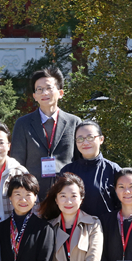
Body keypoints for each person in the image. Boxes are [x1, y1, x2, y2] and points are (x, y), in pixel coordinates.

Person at [11, 67, 83, 197]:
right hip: (33, 195)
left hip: (66, 195)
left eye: (49, 88)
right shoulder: (23, 124)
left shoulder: (74, 122)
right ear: (34, 96)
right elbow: (17, 164)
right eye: (39, 89)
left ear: (60, 93)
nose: (44, 93)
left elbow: (80, 161)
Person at [61, 121, 122, 220]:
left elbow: (122, 204)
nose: (85, 143)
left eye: (90, 137)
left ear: (101, 139)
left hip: (106, 227)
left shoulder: (113, 170)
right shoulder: (67, 171)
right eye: (80, 139)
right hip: (74, 227)